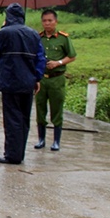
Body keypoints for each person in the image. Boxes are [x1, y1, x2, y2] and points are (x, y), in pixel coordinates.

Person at [0, 3, 46, 164]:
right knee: (24, 119)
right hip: (28, 83)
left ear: (8, 16)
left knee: (12, 119)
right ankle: (20, 153)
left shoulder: (3, 34)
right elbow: (41, 58)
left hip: (10, 82)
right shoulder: (34, 34)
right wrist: (37, 78)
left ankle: (12, 155)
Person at [35, 9, 77, 151]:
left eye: (50, 21)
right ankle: (41, 139)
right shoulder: (38, 38)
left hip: (56, 78)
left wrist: (58, 63)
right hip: (41, 78)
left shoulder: (63, 38)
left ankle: (56, 141)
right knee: (40, 108)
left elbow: (72, 56)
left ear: (56, 22)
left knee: (56, 108)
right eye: (44, 21)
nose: (47, 24)